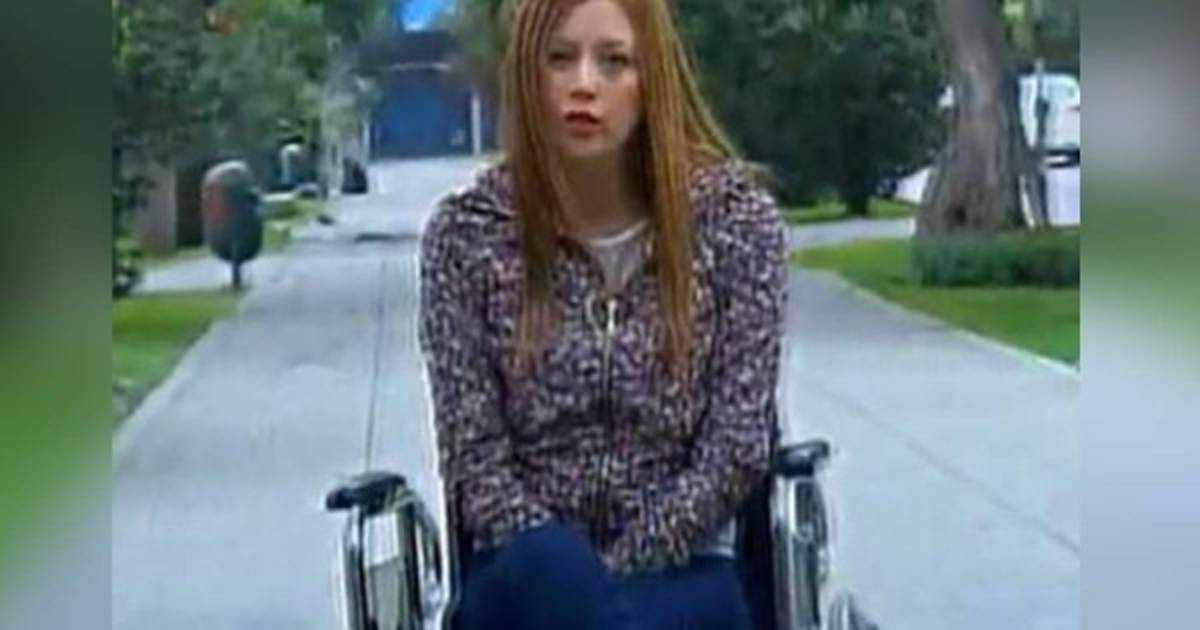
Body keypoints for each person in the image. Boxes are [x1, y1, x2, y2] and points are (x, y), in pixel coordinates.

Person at [417, 0, 785, 628]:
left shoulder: (736, 226)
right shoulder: (466, 238)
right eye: (559, 59)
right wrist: (574, 583)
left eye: (614, 62)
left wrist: (616, 580)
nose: (584, 85)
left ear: (652, 79)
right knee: (551, 577)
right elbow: (474, 460)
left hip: (683, 562)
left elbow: (737, 446)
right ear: (526, 75)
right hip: (523, 572)